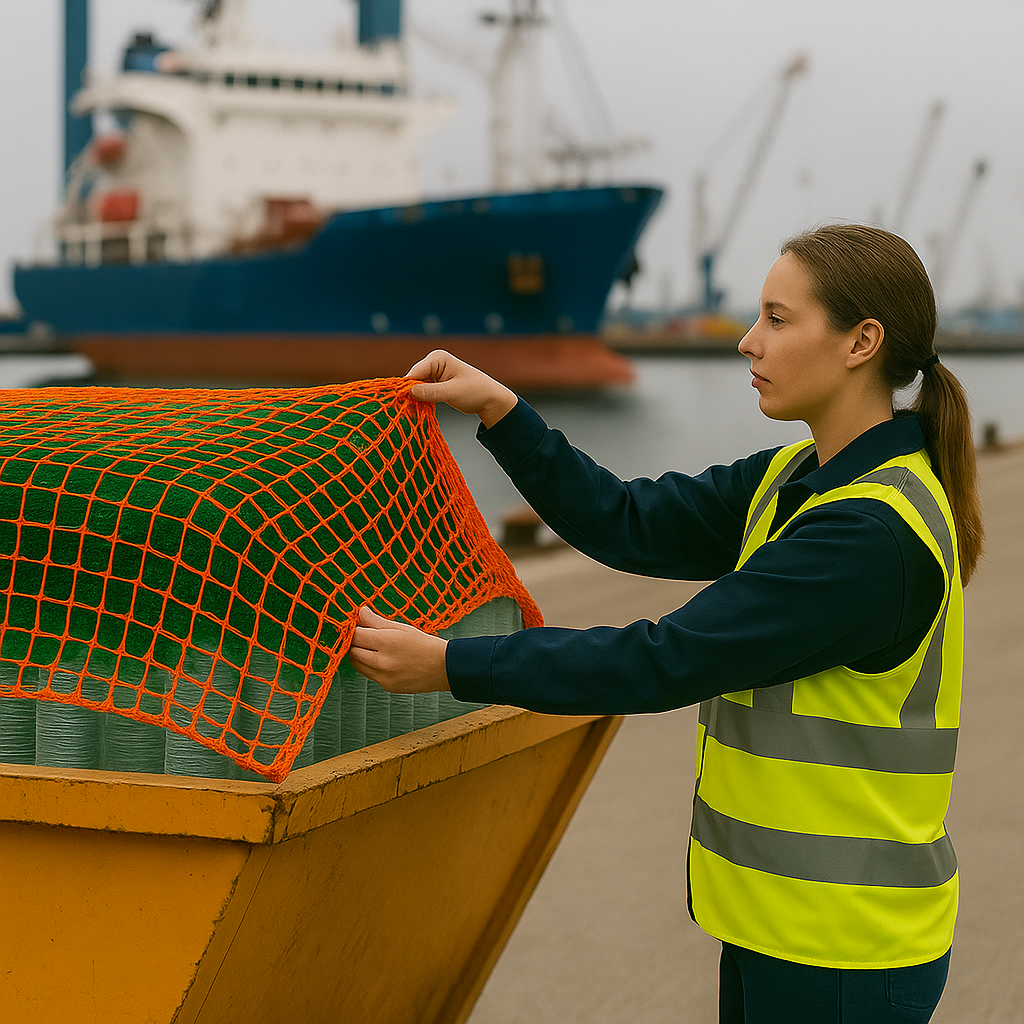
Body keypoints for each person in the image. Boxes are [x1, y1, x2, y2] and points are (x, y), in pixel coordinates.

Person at [348, 223, 983, 1024]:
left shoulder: (869, 534)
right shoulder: (797, 477)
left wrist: (454, 665)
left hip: (844, 947)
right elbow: (628, 521)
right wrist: (502, 412)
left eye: (778, 320)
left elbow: (667, 659)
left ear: (862, 341)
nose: (749, 342)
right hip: (784, 927)